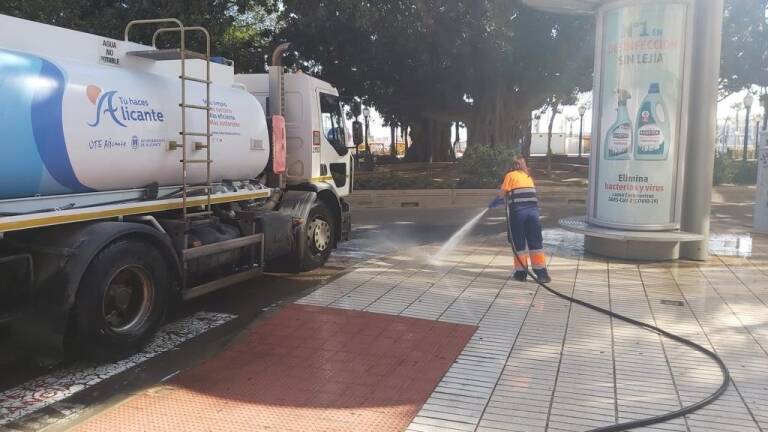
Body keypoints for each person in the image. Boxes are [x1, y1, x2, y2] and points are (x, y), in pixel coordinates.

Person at [493, 156, 551, 283]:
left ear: (512, 165)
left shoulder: (510, 175)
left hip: (519, 213)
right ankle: (542, 274)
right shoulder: (528, 177)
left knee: (518, 242)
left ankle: (521, 273)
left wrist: (495, 201)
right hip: (533, 213)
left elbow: (502, 193)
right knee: (535, 243)